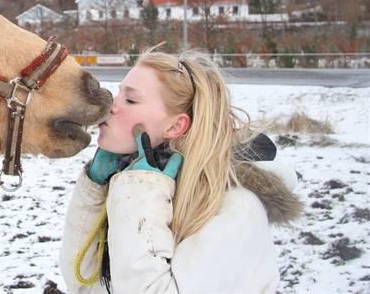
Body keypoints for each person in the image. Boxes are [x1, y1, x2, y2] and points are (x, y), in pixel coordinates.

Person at [60, 48, 302, 293]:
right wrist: (93, 189)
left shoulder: (236, 209)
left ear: (176, 125)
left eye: (131, 100)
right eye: (119, 93)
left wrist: (140, 190)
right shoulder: (128, 184)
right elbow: (85, 285)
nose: (111, 106)